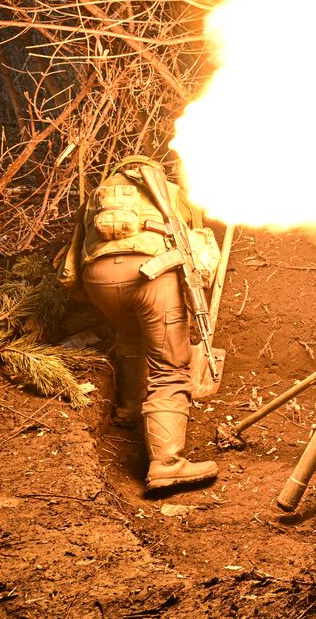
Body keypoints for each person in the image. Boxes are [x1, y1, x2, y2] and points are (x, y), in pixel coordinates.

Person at [75, 156, 219, 493]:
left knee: (131, 332)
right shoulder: (169, 192)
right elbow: (192, 243)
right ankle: (167, 463)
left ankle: (130, 408)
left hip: (98, 281)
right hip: (152, 275)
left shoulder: (97, 196)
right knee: (169, 366)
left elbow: (72, 256)